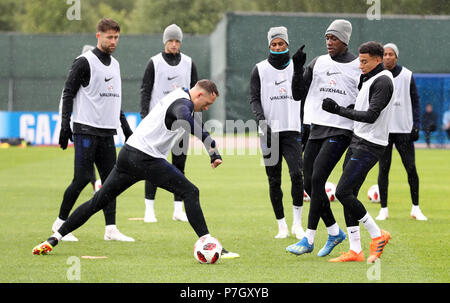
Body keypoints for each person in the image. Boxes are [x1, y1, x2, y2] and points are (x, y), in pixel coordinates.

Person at [33, 80, 237, 258]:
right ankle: (209, 244)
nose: (207, 108)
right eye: (208, 103)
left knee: (98, 200)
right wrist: (212, 148)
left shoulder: (179, 93)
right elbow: (186, 117)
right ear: (199, 94)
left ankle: (54, 238)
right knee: (191, 192)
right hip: (146, 158)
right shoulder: (183, 103)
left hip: (128, 154)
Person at [52, 18, 134, 243]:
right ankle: (59, 224)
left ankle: (111, 229)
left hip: (108, 132)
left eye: (116, 37)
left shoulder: (115, 64)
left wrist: (127, 129)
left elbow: (116, 101)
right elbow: (68, 93)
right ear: (98, 36)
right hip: (86, 130)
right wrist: (64, 125)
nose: (113, 41)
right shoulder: (83, 62)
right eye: (109, 37)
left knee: (111, 181)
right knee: (81, 179)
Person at [287, 19, 361, 257]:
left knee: (318, 178)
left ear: (345, 40)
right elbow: (297, 94)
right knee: (308, 182)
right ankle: (334, 231)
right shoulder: (317, 62)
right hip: (316, 128)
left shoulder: (358, 66)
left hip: (341, 129)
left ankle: (308, 238)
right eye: (327, 38)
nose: (329, 42)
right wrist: (297, 69)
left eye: (334, 38)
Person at [320, 41, 393, 263]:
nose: (360, 65)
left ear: (378, 60)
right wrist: (343, 109)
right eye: (359, 60)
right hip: (359, 140)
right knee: (349, 194)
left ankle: (377, 234)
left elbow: (371, 115)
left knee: (342, 192)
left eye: (364, 61)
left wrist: (339, 110)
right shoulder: (370, 78)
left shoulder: (383, 81)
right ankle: (355, 250)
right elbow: (362, 111)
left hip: (370, 144)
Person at [249, 26, 305, 239]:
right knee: (274, 180)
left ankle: (297, 224)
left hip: (291, 130)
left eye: (281, 43)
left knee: (296, 175)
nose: (278, 47)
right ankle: (281, 225)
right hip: (268, 132)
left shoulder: (296, 67)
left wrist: (299, 69)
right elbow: (254, 98)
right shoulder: (260, 69)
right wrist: (262, 121)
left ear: (287, 44)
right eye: (274, 44)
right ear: (269, 45)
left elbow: (302, 93)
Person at [140, 24, 198, 223]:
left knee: (179, 165)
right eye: (171, 40)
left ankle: (178, 209)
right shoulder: (154, 63)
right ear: (165, 41)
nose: (174, 44)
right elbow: (145, 91)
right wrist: (144, 117)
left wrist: (194, 120)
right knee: (153, 165)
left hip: (181, 123)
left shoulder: (189, 63)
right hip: (159, 124)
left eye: (177, 41)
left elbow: (196, 93)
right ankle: (149, 209)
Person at [376, 43, 427, 221]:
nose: (387, 57)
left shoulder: (407, 75)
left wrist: (417, 125)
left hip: (404, 130)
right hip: (385, 130)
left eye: (391, 54)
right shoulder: (378, 75)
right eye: (385, 54)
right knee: (383, 169)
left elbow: (415, 101)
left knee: (411, 168)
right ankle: (384, 209)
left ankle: (416, 208)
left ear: (396, 57)